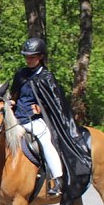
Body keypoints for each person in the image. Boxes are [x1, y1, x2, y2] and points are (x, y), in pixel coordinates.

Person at [9, 37, 64, 196]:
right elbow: (15, 94)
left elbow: (55, 101)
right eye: (26, 56)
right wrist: (11, 101)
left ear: (40, 57)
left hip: (35, 120)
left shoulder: (47, 77)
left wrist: (42, 107)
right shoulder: (20, 74)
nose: (28, 60)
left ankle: (58, 180)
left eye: (32, 57)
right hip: (17, 118)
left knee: (46, 142)